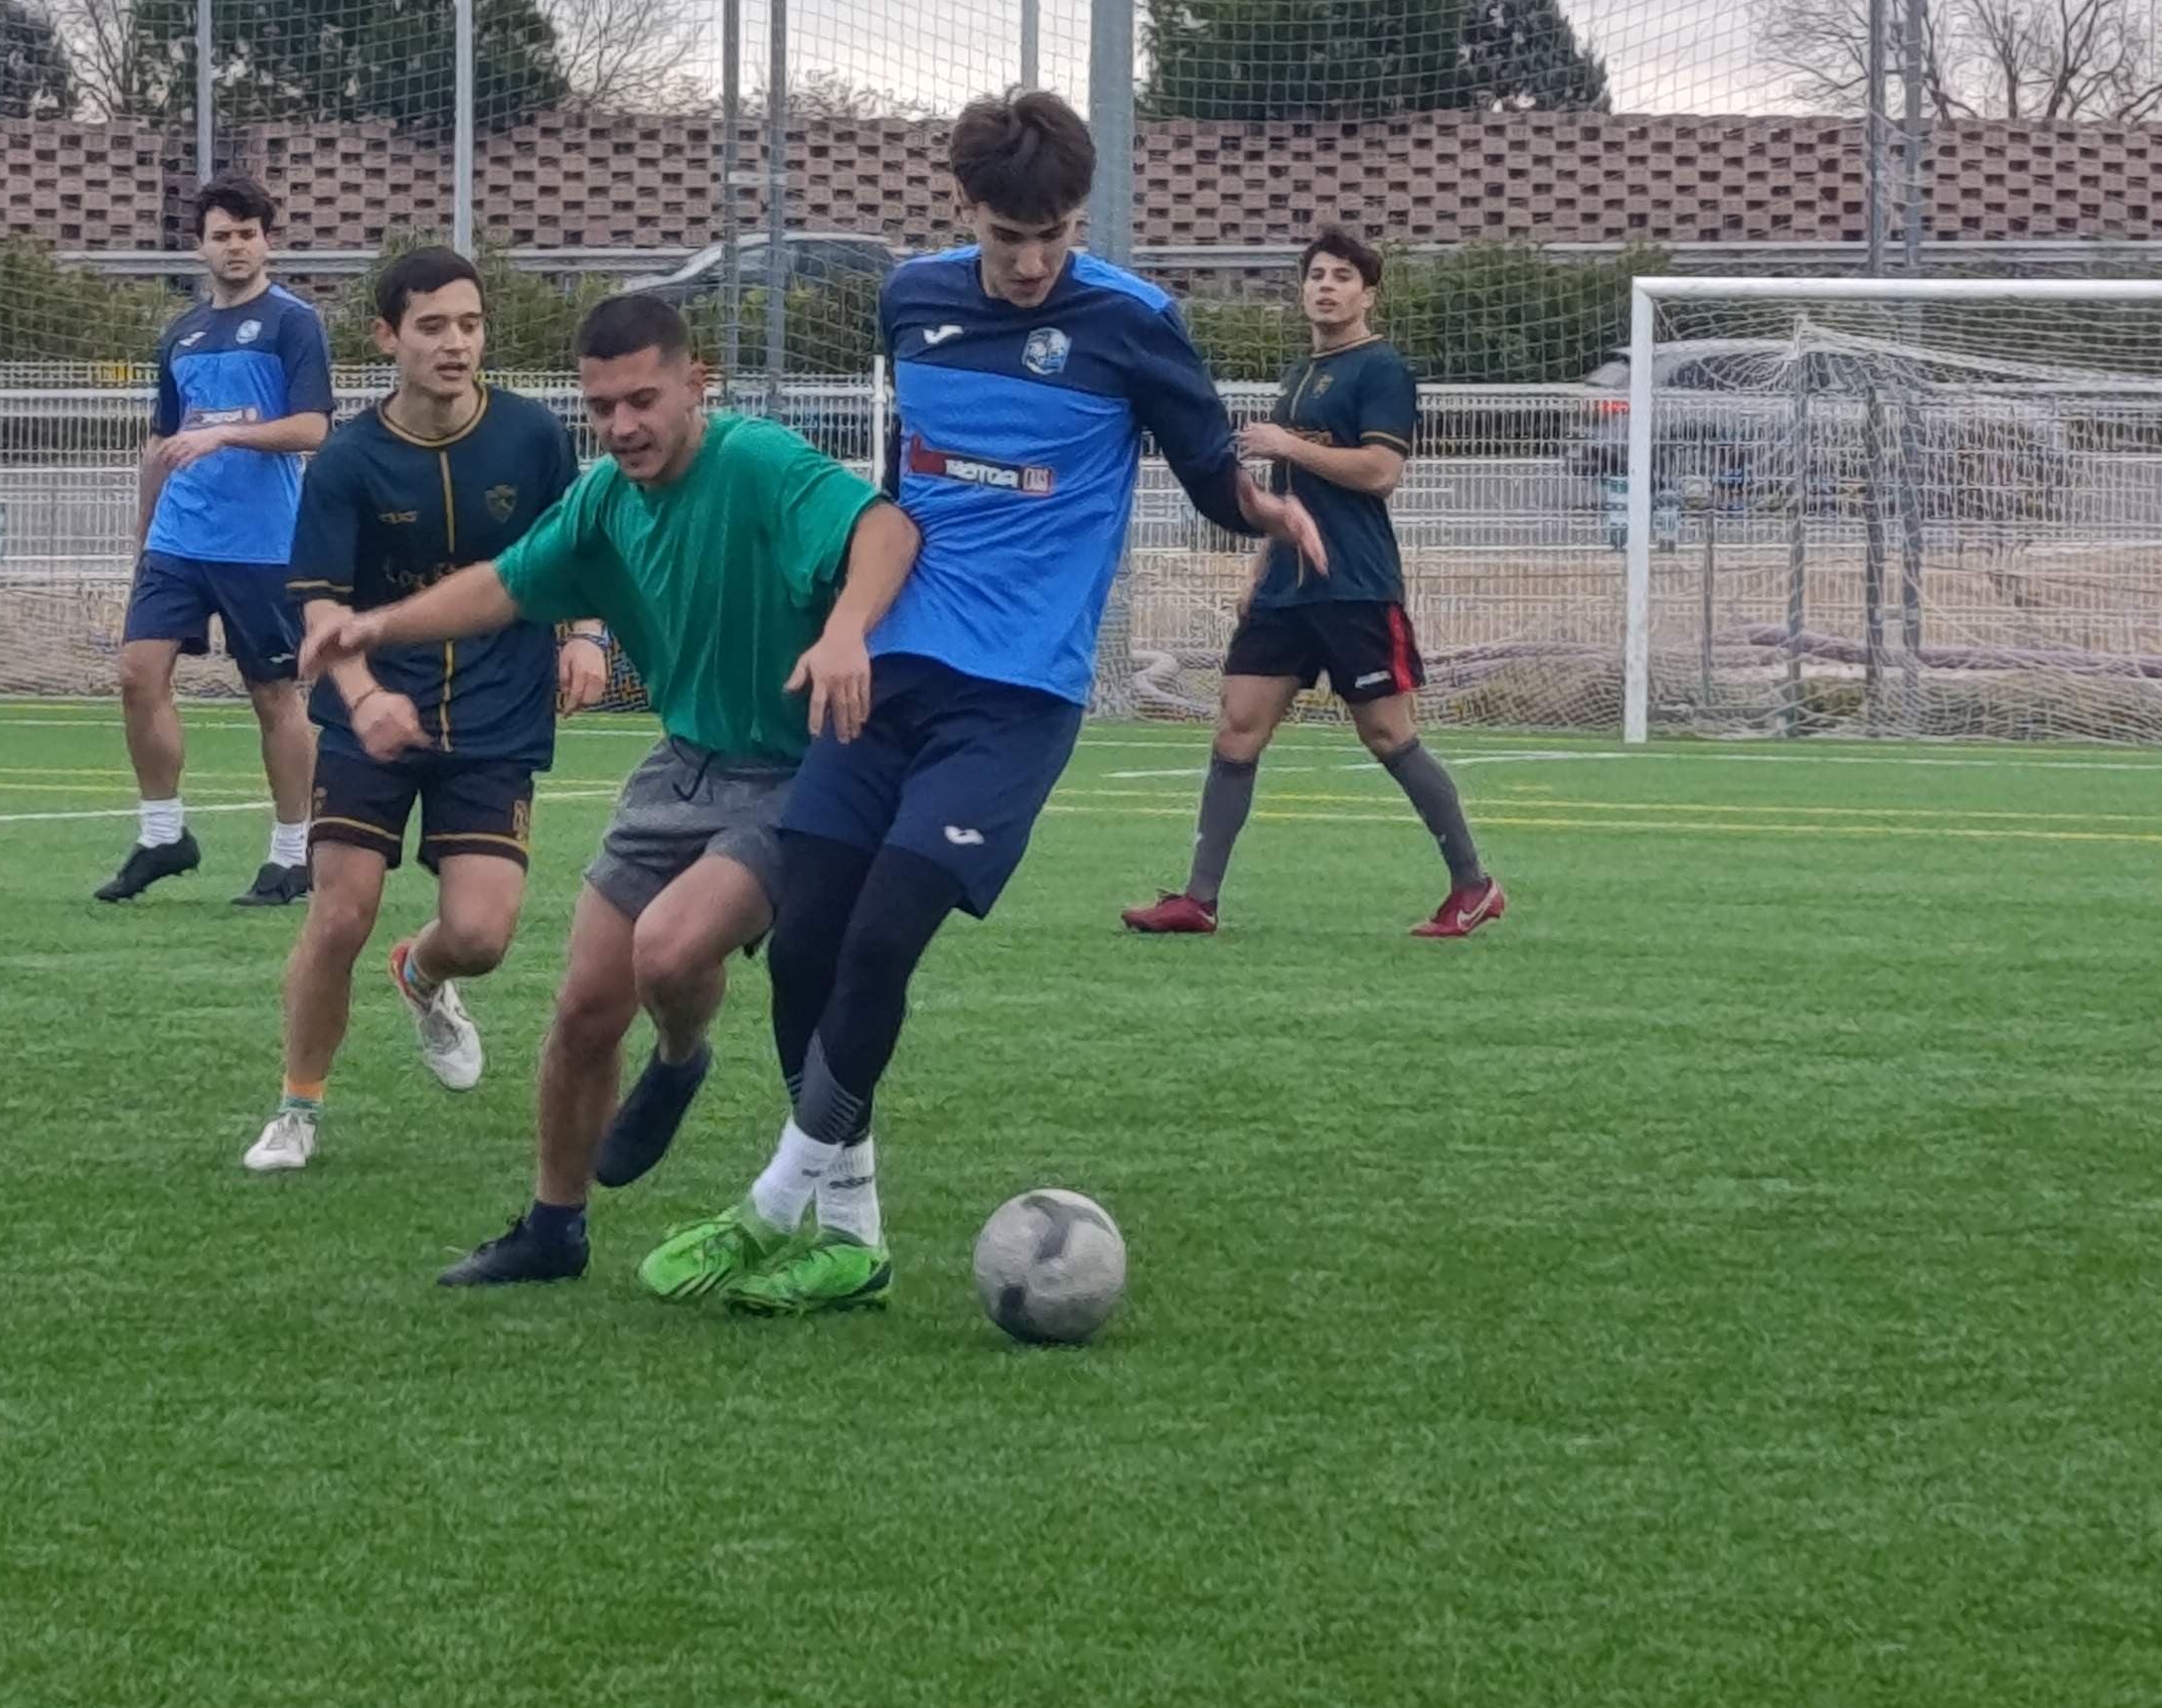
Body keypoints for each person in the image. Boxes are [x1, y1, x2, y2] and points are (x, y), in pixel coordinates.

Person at [639, 90, 1326, 1317]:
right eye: (1009, 235)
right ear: (963, 207)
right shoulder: (913, 301)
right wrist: (851, 616)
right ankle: (852, 1238)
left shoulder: (1133, 322)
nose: (1032, 261)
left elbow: (1207, 472)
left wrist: (1260, 509)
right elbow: (904, 482)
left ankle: (772, 1208)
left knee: (881, 940)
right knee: (803, 947)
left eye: (1054, 234)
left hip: (1015, 694)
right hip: (891, 668)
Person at [299, 291, 923, 1287]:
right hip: (681, 764)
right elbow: (505, 583)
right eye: (601, 407)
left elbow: (886, 529)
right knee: (586, 1005)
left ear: (695, 384)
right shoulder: (604, 501)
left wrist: (846, 630)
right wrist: (376, 626)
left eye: (642, 400)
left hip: (797, 775)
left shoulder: (758, 463)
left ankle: (679, 1057)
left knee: (667, 951)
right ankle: (554, 1229)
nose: (622, 426)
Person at [242, 247, 599, 1173]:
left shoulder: (533, 436)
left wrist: (587, 634)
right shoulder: (348, 459)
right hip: (371, 715)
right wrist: (363, 700)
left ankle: (423, 972)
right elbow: (321, 608)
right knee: (340, 913)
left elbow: (578, 550)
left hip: (499, 711)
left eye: (469, 325)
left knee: (480, 936)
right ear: (387, 336)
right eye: (432, 326)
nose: (455, 343)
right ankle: (296, 1108)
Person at [1122, 226, 1504, 939]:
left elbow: (1381, 473)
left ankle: (1474, 885)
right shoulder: (1301, 371)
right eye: (1317, 275)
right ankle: (1198, 900)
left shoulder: (1381, 369)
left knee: (1388, 735)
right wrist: (1260, 565)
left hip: (1354, 585)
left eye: (1343, 277)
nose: (1327, 287)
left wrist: (1287, 443)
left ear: (1368, 294)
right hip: (1285, 590)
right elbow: (1288, 490)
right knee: (1237, 728)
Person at [100, 177, 332, 908]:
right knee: (137, 674)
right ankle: (162, 835)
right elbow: (162, 442)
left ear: (267, 242)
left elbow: (313, 428)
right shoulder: (181, 334)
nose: (235, 247)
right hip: (178, 540)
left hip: (261, 542)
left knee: (273, 693)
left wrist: (226, 434)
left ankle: (293, 854)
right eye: (222, 235)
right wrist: (143, 538)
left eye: (247, 234)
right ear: (199, 246)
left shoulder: (294, 323)